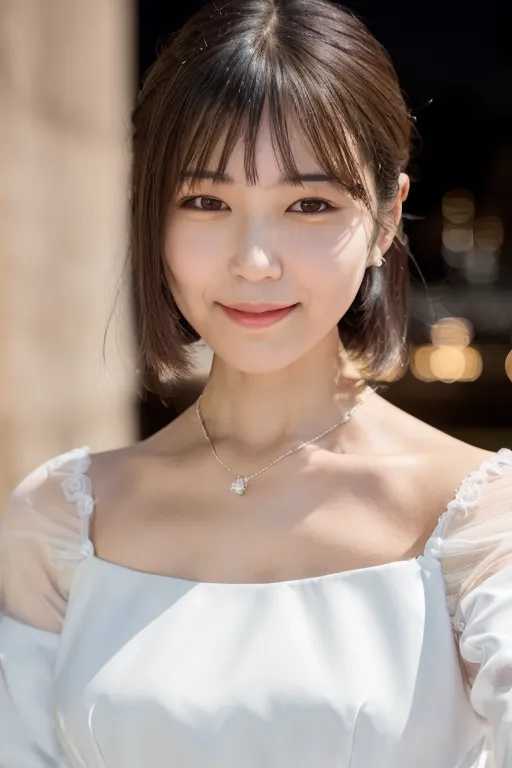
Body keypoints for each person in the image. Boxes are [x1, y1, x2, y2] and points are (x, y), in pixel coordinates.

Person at [1, 0, 511, 765]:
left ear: (383, 219)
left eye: (310, 204)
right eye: (206, 202)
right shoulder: (60, 520)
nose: (255, 260)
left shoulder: (478, 520)